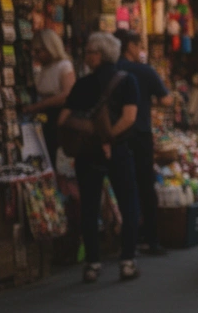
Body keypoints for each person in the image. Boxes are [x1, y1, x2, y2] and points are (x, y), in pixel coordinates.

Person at [58, 32, 141, 283]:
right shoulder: (127, 81)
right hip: (117, 150)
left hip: (87, 153)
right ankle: (127, 261)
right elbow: (129, 117)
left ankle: (92, 263)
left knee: (89, 207)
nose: (86, 57)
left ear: (99, 54)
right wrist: (109, 138)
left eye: (90, 52)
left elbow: (64, 119)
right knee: (128, 205)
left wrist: (87, 136)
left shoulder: (83, 83)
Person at [114, 30, 174, 257]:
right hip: (139, 133)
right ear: (129, 45)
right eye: (138, 43)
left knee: (121, 185)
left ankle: (125, 238)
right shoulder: (143, 70)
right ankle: (150, 238)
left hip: (112, 135)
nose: (140, 48)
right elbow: (166, 99)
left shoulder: (113, 69)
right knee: (145, 186)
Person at [23, 28, 76, 166]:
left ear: (50, 48)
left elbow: (68, 95)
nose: (35, 55)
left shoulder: (64, 66)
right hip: (45, 120)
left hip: (60, 118)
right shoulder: (43, 69)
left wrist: (37, 107)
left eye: (39, 51)